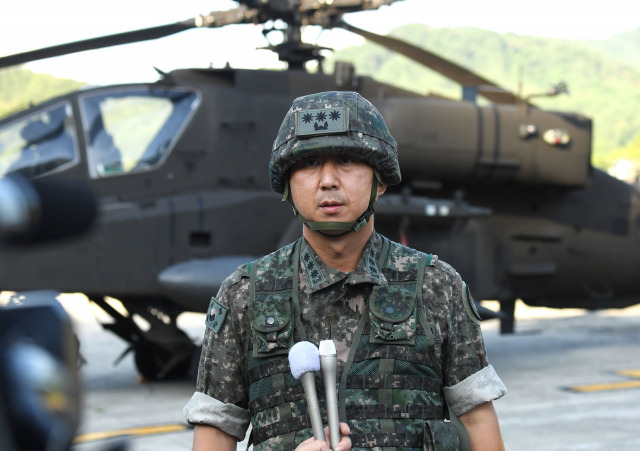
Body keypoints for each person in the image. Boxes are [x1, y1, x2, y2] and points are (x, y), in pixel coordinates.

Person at [184, 91, 506, 451]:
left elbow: (477, 419)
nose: (327, 181)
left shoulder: (436, 286)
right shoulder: (245, 295)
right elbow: (214, 432)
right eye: (307, 164)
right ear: (288, 184)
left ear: (379, 180)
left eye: (347, 160)